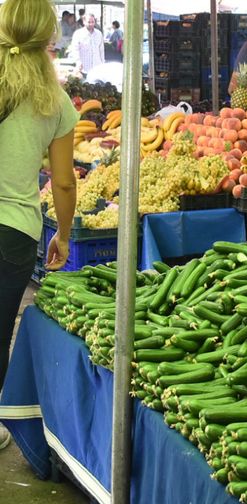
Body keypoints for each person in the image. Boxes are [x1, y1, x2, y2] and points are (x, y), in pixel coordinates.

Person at [0, 0, 78, 451]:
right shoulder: (55, 101)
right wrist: (63, 236)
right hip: (13, 234)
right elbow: (64, 183)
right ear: (50, 36)